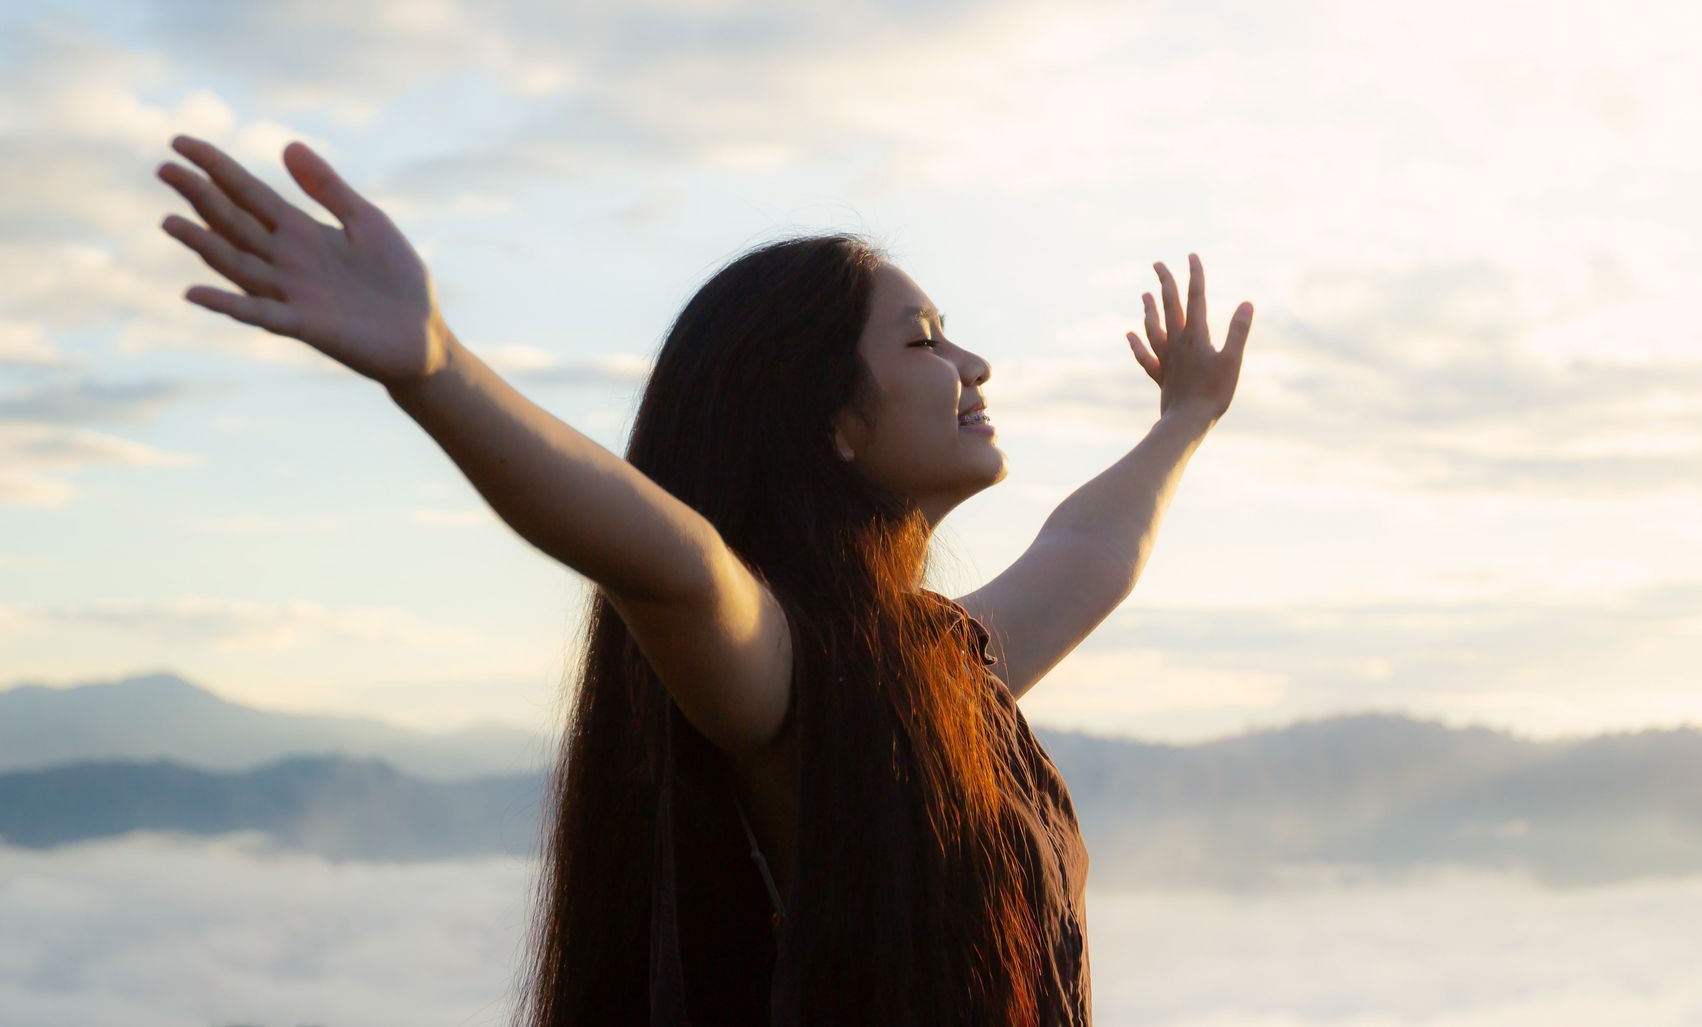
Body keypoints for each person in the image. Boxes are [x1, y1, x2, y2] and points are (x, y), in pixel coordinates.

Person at [153, 134, 1255, 1025]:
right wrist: (438, 370)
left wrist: (1186, 422)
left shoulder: (938, 671)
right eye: (924, 342)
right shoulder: (787, 677)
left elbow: (1088, 555)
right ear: (829, 422)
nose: (974, 368)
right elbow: (672, 563)